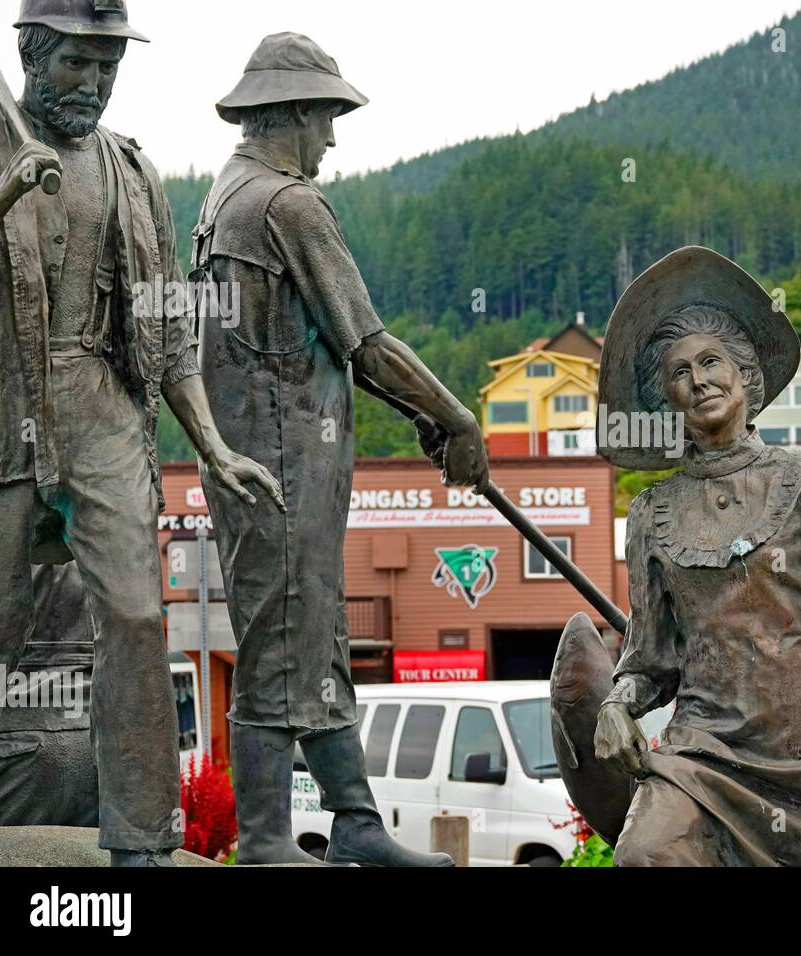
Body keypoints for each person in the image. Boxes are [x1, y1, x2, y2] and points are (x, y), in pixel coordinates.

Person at [0, 0, 282, 867]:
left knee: (136, 616)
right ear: (31, 55)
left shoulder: (129, 169)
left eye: (109, 66)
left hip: (106, 409)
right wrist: (2, 192)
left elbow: (168, 321)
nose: (95, 83)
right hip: (5, 413)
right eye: (77, 63)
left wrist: (213, 446)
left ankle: (143, 842)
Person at [195, 33, 488, 866]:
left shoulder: (223, 197)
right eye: (325, 119)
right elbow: (368, 344)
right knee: (279, 636)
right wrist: (458, 419)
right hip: (283, 466)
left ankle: (354, 820)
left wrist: (418, 415)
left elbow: (310, 344)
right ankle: (263, 838)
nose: (332, 139)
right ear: (288, 113)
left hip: (269, 463)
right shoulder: (289, 205)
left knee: (309, 632)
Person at [590, 246, 801, 865]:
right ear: (668, 401)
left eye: (712, 362)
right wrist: (616, 702)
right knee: (645, 856)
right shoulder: (650, 514)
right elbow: (651, 660)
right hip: (701, 754)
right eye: (680, 372)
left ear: (748, 376)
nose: (699, 380)